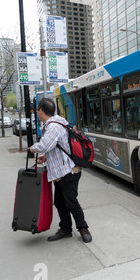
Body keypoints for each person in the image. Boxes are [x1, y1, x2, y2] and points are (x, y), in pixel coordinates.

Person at [29, 98, 92, 243]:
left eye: (37, 110)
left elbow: (44, 145)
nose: (37, 112)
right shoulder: (55, 124)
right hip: (60, 171)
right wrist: (46, 157)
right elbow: (56, 146)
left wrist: (32, 148)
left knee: (71, 202)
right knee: (59, 202)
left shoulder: (53, 127)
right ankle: (65, 229)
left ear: (41, 111)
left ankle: (83, 229)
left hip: (68, 171)